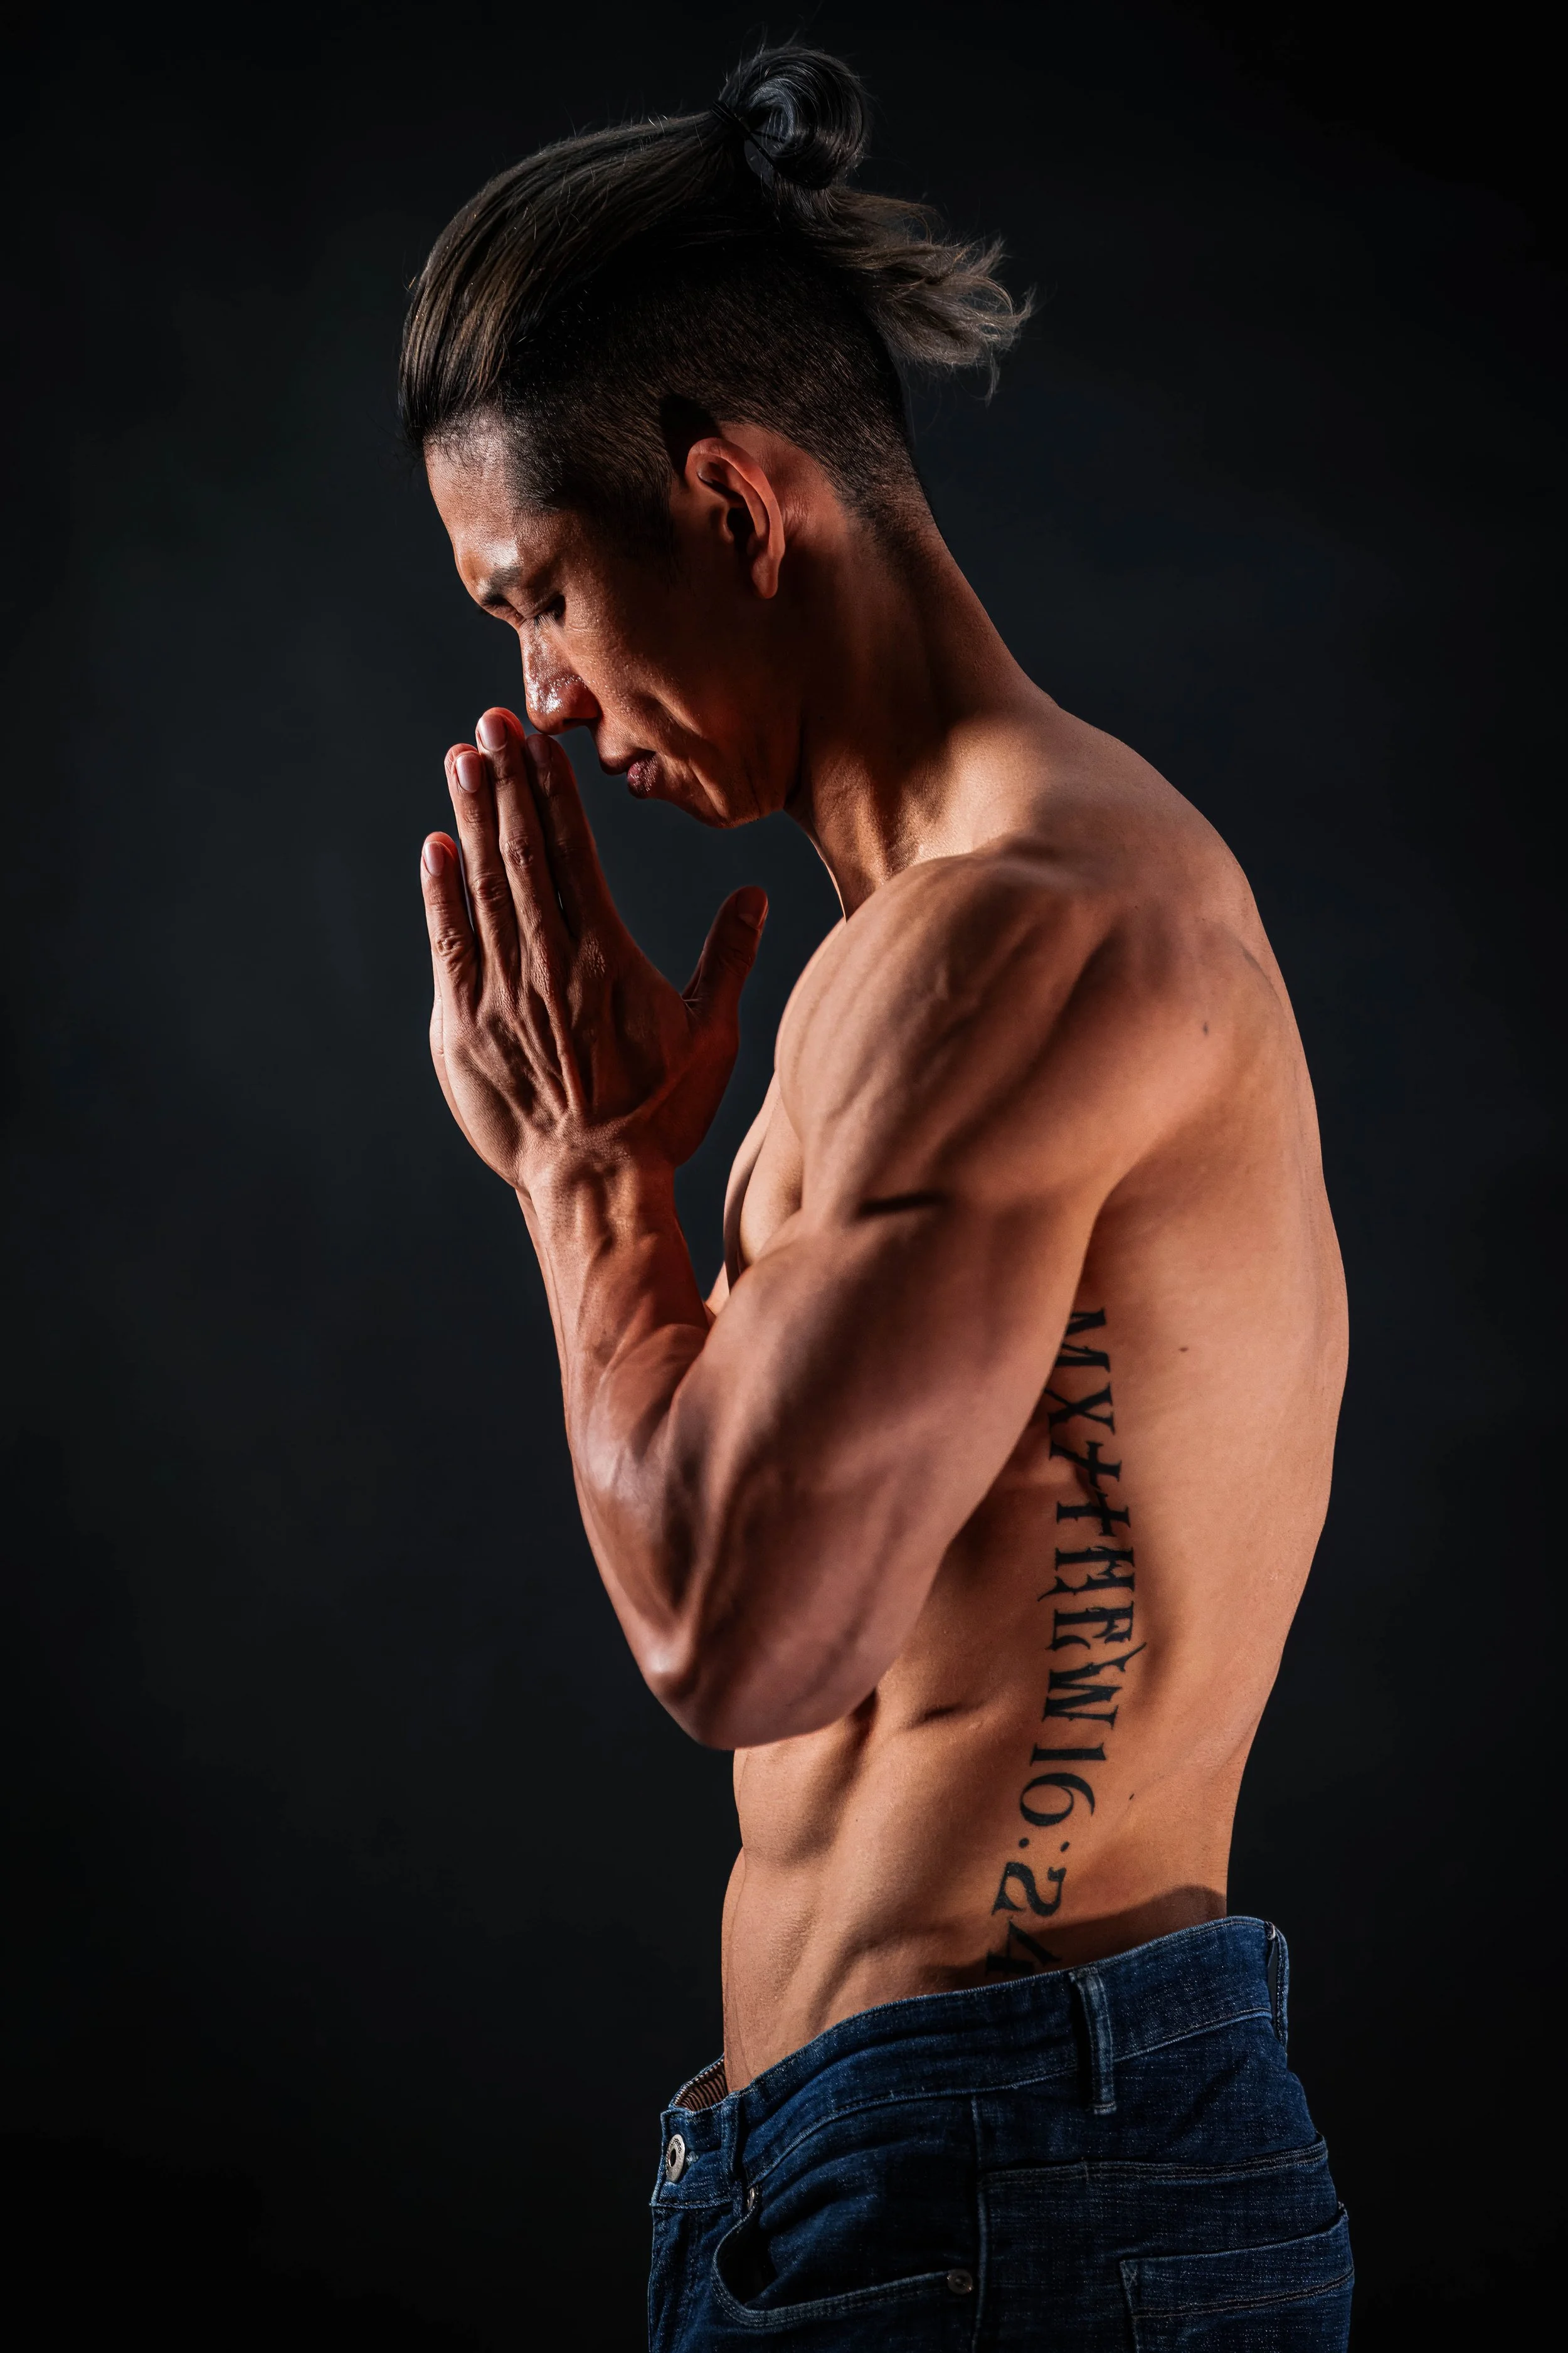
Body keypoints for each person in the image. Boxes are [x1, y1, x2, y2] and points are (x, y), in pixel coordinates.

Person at [401, 44, 1352, 2350]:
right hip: (903, 2168)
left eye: (541, 595)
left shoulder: (1030, 924)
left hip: (1021, 2180)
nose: (539, 700)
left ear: (730, 505)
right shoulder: (915, 944)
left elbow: (743, 1637)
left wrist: (589, 1185)